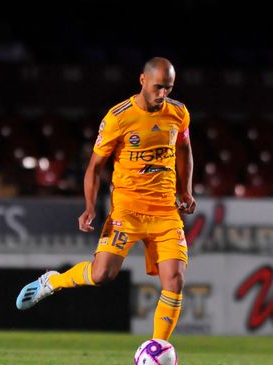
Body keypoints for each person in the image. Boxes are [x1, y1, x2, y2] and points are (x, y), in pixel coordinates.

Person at [16, 57, 196, 342]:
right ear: (142, 81)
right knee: (102, 275)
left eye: (169, 88)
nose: (163, 95)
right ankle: (54, 281)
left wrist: (185, 190)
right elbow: (94, 167)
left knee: (175, 279)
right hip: (128, 209)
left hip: (165, 211)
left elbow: (185, 149)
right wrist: (89, 206)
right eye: (158, 87)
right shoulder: (118, 117)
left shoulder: (179, 112)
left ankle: (158, 349)